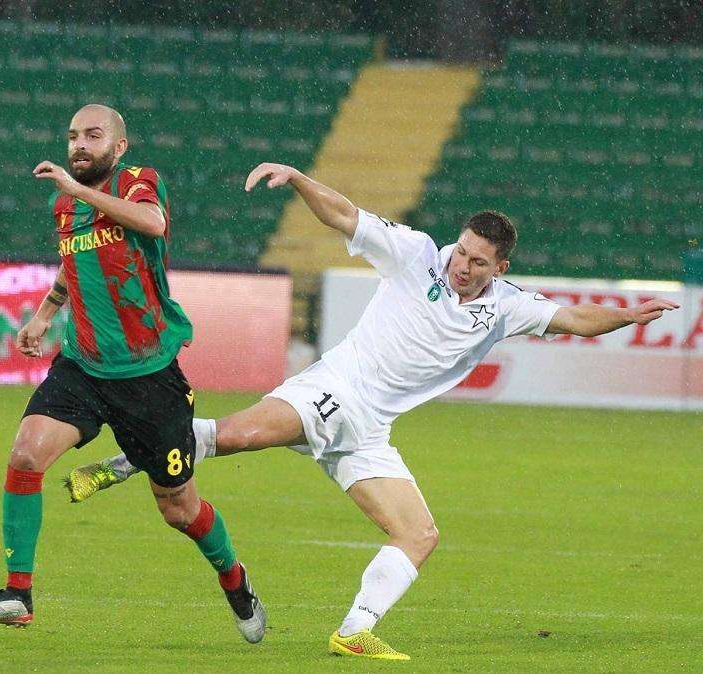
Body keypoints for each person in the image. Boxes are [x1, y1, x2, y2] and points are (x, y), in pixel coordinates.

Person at [64, 162, 680, 659]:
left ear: (501, 268)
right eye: (462, 252)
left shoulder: (508, 305)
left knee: (419, 534)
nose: (462, 267)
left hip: (369, 432)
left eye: (478, 263)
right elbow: (346, 216)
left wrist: (625, 315)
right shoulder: (415, 255)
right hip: (335, 392)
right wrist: (300, 180)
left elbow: (572, 318)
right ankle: (130, 460)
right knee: (236, 437)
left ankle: (354, 631)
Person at [0, 104, 266, 643]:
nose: (79, 144)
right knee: (25, 456)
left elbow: (152, 223)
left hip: (149, 377)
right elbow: (73, 262)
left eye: (93, 135)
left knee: (179, 509)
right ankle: (17, 593)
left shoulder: (138, 181)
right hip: (82, 367)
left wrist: (78, 192)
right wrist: (44, 313)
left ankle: (235, 580)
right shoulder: (67, 206)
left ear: (119, 146)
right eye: (72, 136)